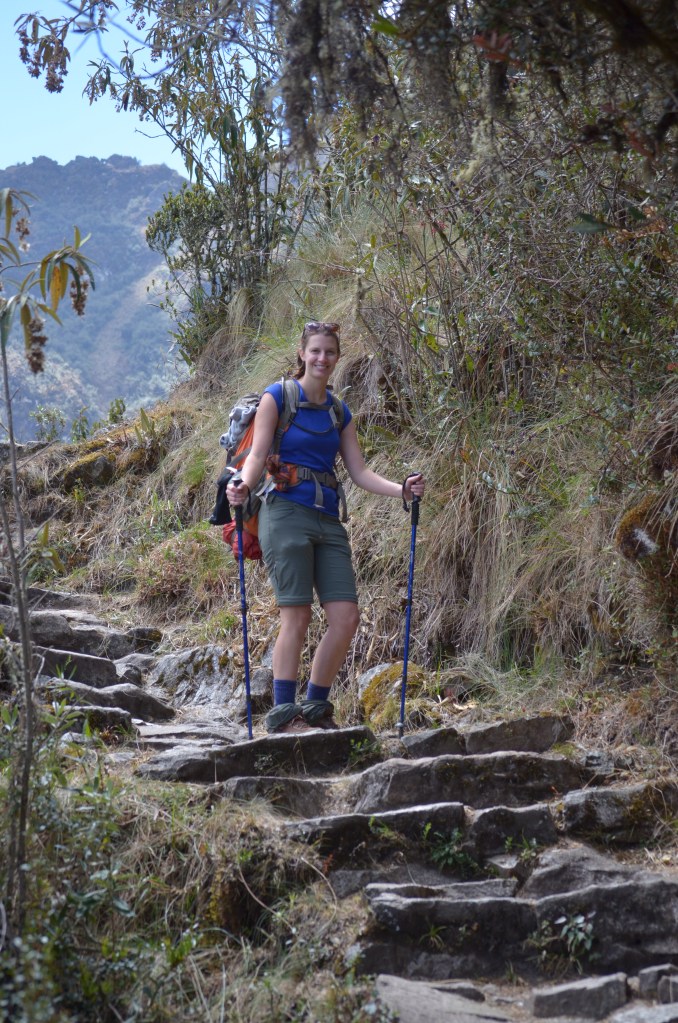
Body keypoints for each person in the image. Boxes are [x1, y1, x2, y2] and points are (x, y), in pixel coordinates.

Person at [226, 321, 426, 733]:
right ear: (302, 353)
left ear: (337, 357)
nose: (322, 358)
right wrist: (243, 484)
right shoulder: (278, 397)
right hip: (283, 513)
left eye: (329, 352)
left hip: (328, 520)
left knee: (346, 617)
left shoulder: (339, 412)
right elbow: (258, 453)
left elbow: (359, 471)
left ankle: (315, 708)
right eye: (315, 351)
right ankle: (284, 715)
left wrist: (401, 491)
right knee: (295, 615)